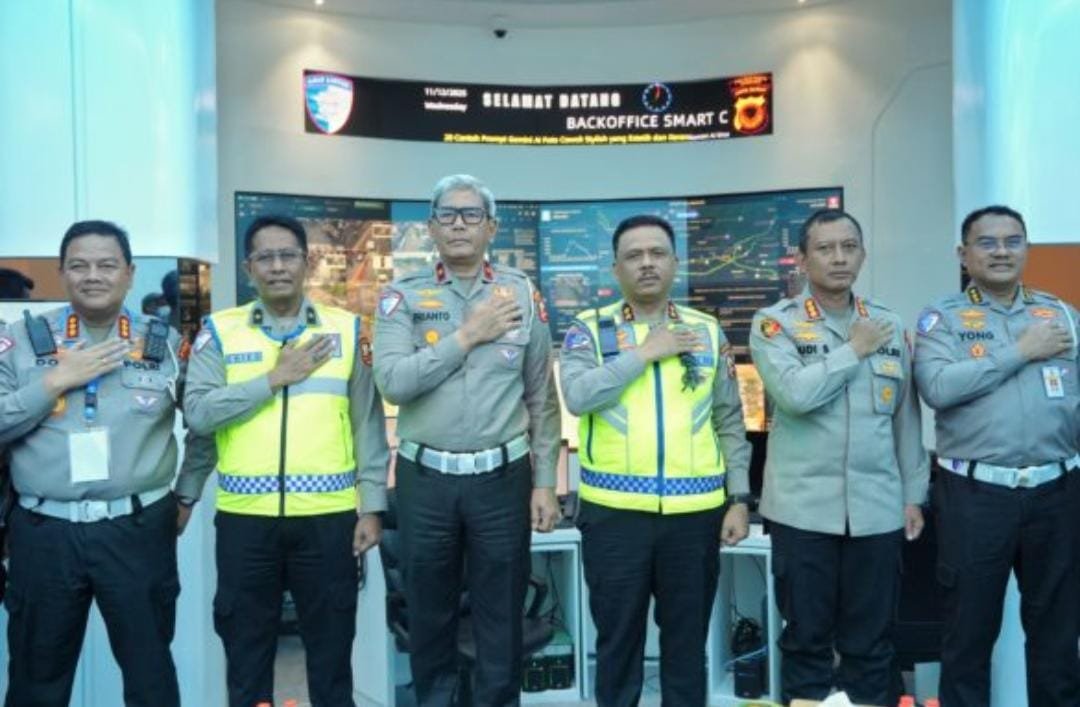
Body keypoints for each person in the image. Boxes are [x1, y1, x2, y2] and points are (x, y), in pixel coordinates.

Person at [0, 220, 214, 707]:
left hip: (137, 530)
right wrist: (53, 382)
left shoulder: (165, 343)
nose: (92, 275)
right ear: (61, 273)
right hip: (44, 532)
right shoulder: (21, 340)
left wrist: (187, 493)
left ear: (130, 273)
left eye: (106, 265)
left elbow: (204, 422)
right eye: (79, 265)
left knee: (150, 677)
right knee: (36, 682)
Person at [183, 214, 389, 707]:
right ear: (248, 268)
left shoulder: (347, 330)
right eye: (265, 257)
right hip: (245, 523)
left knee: (331, 654)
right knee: (246, 654)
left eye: (288, 255)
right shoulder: (220, 332)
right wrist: (273, 379)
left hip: (328, 521)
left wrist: (372, 506)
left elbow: (367, 423)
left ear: (307, 262)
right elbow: (199, 414)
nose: (277, 266)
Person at [373, 174, 561, 707]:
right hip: (426, 480)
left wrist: (545, 482)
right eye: (447, 215)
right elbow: (393, 382)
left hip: (502, 480)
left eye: (471, 214)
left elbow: (541, 397)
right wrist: (467, 336)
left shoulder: (520, 293)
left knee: (501, 618)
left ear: (491, 228)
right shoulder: (402, 296)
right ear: (431, 227)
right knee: (429, 617)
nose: (459, 224)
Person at [558, 214, 752, 706]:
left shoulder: (707, 331)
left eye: (657, 253)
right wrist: (644, 354)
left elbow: (729, 418)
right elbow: (577, 397)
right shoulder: (589, 329)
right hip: (614, 517)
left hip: (695, 517)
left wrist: (738, 498)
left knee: (686, 647)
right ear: (615, 269)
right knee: (618, 645)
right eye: (634, 256)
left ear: (675, 263)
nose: (647, 263)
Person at [749, 209, 928, 706]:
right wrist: (853, 350)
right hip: (803, 514)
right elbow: (794, 395)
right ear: (802, 260)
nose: (839, 258)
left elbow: (906, 419)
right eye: (825, 248)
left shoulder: (887, 323)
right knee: (806, 643)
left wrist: (913, 494)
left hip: (877, 511)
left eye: (849, 247)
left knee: (872, 645)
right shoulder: (775, 324)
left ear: (863, 255)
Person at [913, 205, 1080, 706]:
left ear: (1026, 248)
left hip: (1058, 491)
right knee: (967, 635)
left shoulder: (1061, 315)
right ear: (963, 254)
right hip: (976, 495)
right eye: (987, 242)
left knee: (1058, 637)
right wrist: (1021, 352)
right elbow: (937, 387)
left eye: (1013, 241)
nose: (1001, 251)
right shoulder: (942, 318)